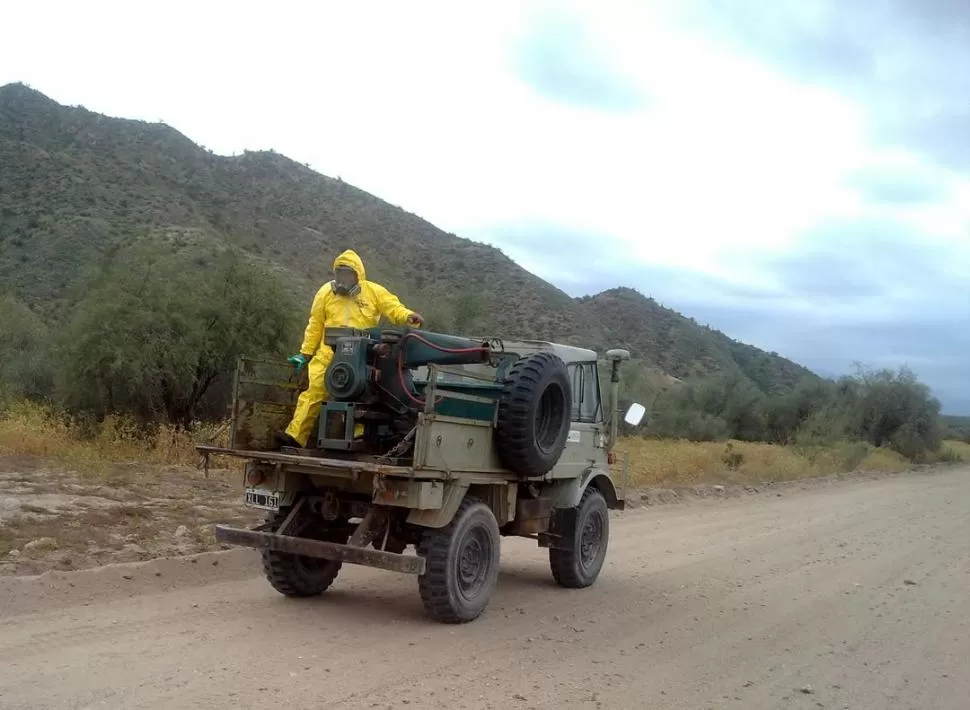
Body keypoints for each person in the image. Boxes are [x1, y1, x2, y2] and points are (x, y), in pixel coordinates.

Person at [276, 249, 424, 448]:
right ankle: (295, 436)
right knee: (315, 391)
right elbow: (315, 324)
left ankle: (358, 439)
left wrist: (407, 316)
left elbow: (392, 307)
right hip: (328, 351)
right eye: (340, 274)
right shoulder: (325, 292)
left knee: (360, 393)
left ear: (358, 276)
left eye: (348, 275)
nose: (343, 279)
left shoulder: (373, 291)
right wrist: (305, 353)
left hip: (361, 354)